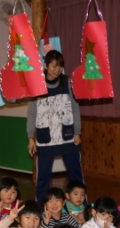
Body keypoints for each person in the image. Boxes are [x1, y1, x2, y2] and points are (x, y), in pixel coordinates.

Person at [27, 50, 83, 203]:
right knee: (43, 176)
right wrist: (31, 138)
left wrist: (77, 132)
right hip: (46, 139)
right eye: (54, 66)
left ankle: (80, 204)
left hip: (68, 136)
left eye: (60, 66)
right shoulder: (37, 85)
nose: (57, 70)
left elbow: (75, 107)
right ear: (46, 66)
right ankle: (40, 206)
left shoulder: (68, 82)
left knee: (75, 174)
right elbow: (32, 112)